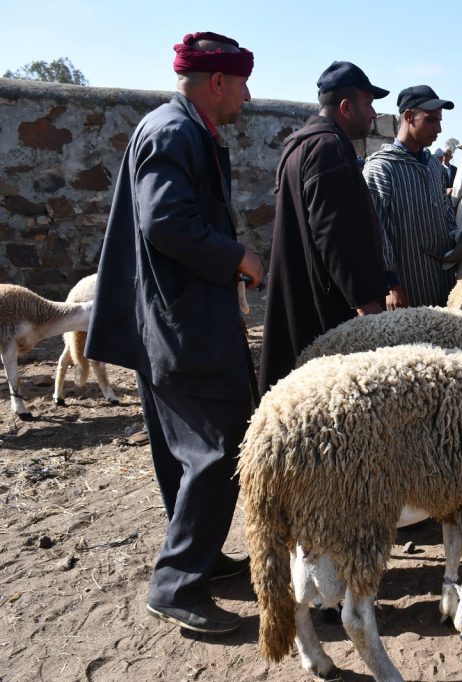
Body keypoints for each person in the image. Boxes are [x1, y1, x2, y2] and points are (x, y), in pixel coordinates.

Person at [85, 32, 263, 635]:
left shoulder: (180, 128)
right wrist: (240, 257)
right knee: (218, 444)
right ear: (217, 82)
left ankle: (201, 557)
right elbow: (166, 221)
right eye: (241, 82)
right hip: (182, 322)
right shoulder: (174, 132)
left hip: (173, 317)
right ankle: (176, 583)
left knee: (184, 449)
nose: (246, 95)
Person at [258, 61, 389, 395]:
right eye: (368, 103)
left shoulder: (301, 144)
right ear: (346, 107)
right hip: (326, 307)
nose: (373, 113)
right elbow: (335, 233)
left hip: (305, 294)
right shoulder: (328, 148)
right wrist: (365, 302)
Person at [363, 85, 457, 309]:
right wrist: (390, 285)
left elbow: (446, 213)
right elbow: (374, 231)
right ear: (409, 117)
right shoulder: (381, 168)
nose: (439, 128)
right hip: (406, 291)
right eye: (431, 120)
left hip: (441, 284)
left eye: (440, 120)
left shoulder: (434, 167)